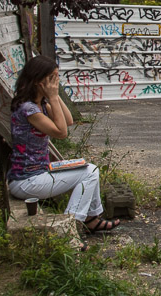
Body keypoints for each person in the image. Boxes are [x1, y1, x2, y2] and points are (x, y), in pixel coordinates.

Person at [6, 55, 120, 232]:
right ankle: (71, 226)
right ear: (37, 80)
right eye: (52, 78)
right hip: (26, 181)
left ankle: (90, 219)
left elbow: (68, 121)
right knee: (90, 173)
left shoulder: (39, 104)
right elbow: (61, 133)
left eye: (57, 77)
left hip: (38, 173)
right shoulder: (28, 109)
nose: (55, 82)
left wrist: (55, 96)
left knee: (89, 168)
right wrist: (52, 97)